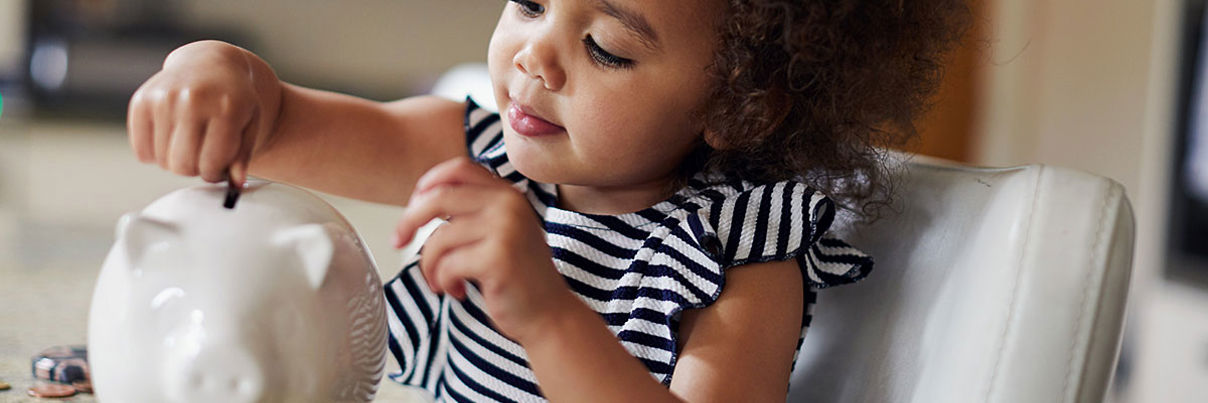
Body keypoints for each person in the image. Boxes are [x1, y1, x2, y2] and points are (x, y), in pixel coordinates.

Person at [126, 0, 969, 401]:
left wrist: (547, 312)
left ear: (736, 106)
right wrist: (216, 71)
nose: (535, 57)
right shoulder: (485, 147)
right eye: (530, 2)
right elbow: (280, 122)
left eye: (603, 47)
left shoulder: (736, 252)